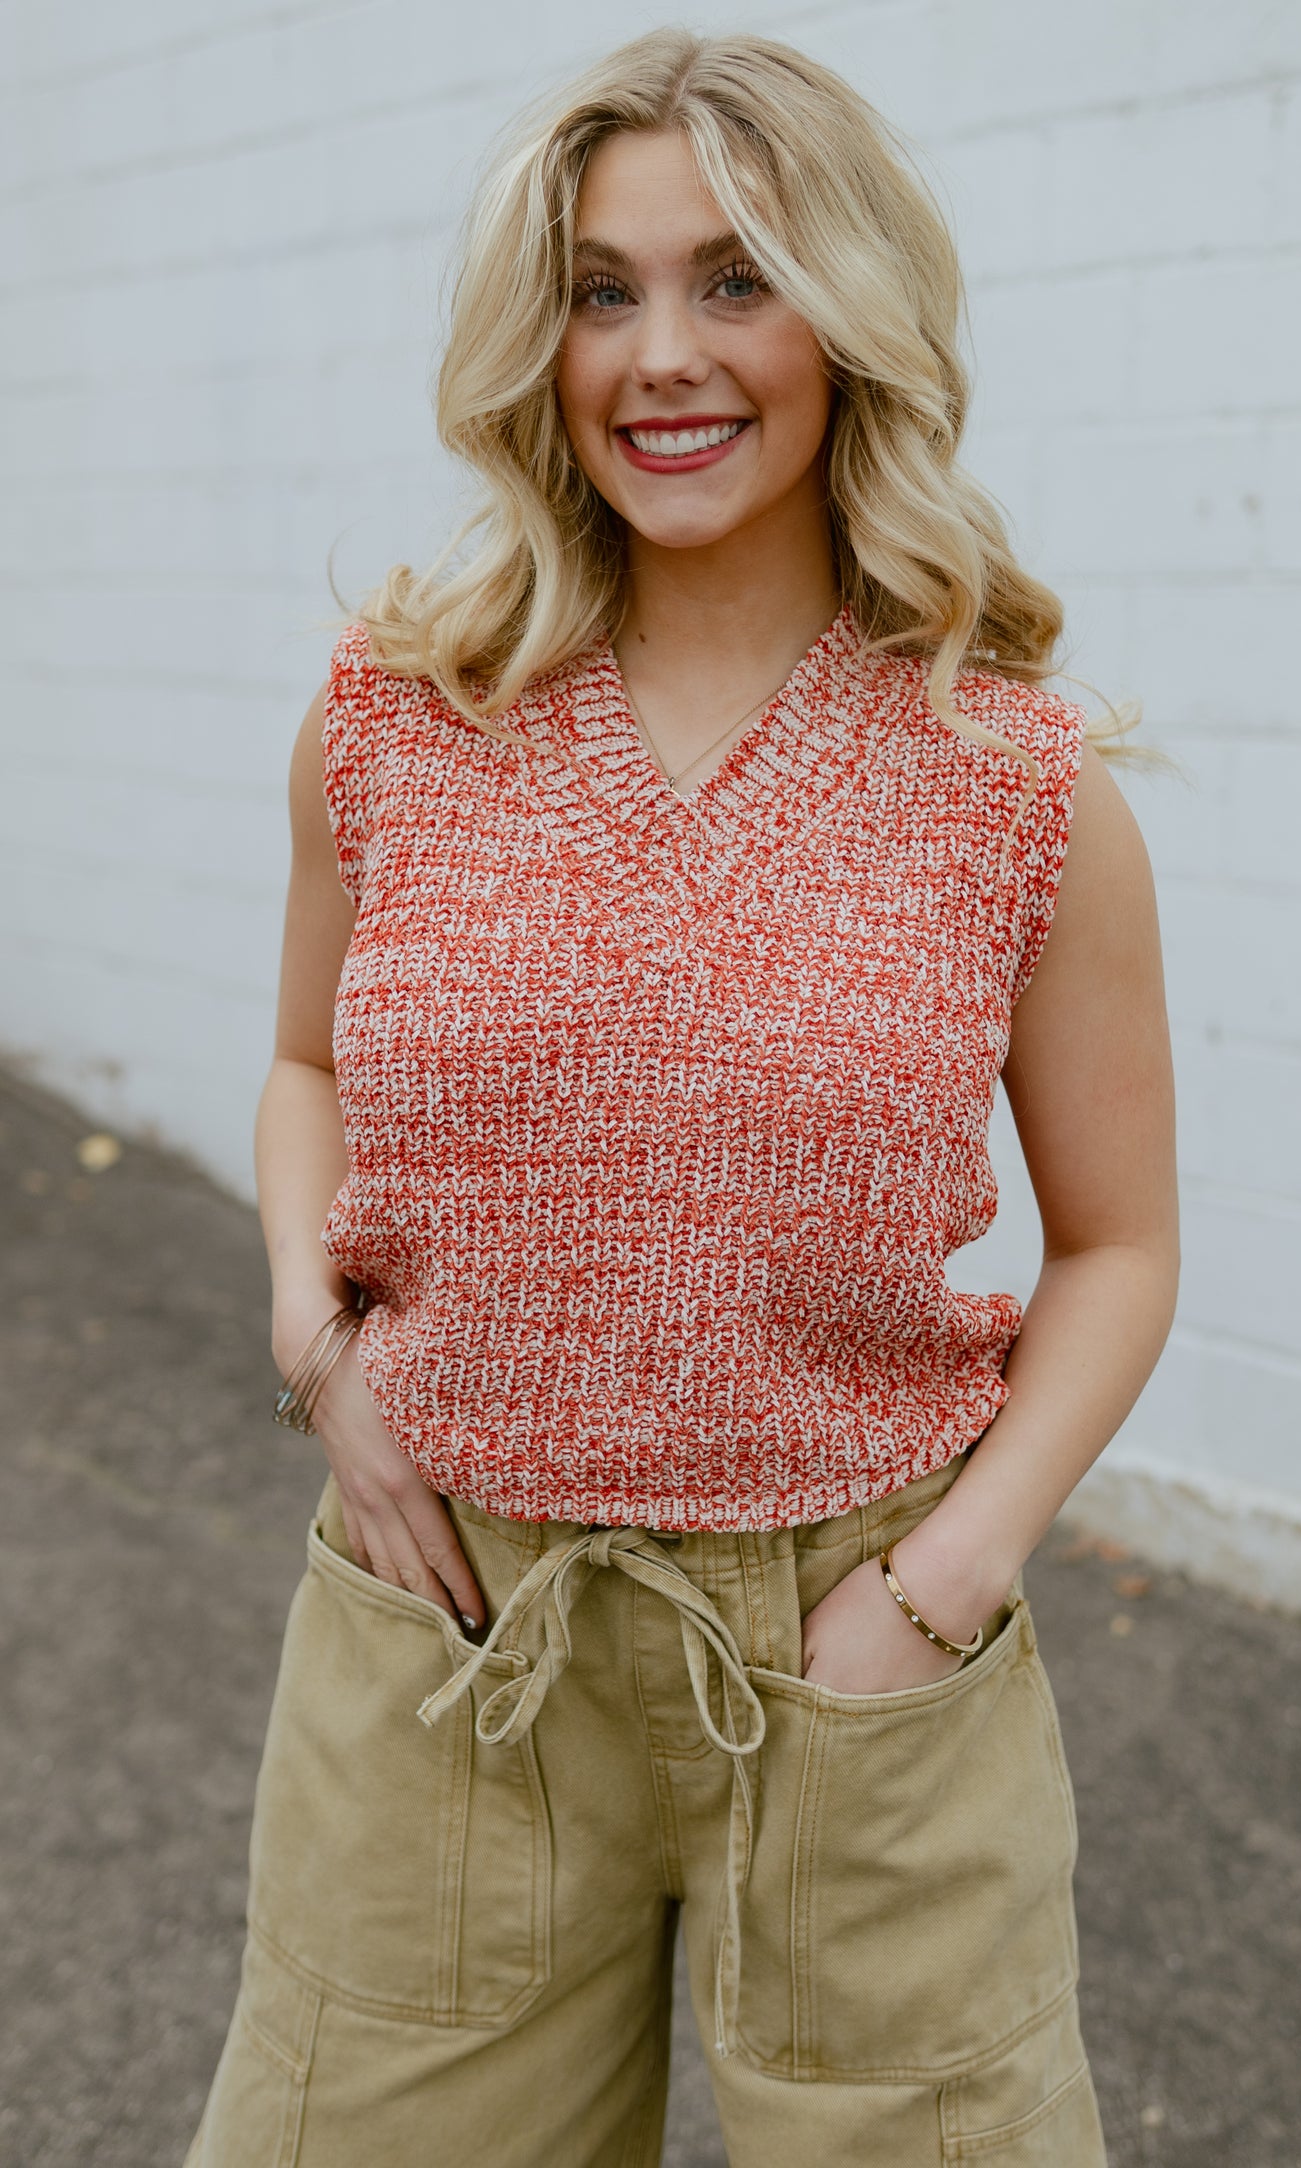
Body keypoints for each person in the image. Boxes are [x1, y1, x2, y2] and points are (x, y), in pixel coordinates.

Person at [184, 25, 1177, 2168]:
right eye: (599, 290)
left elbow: (1118, 1245)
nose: (661, 356)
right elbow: (301, 1062)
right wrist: (314, 1346)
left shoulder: (1015, 778)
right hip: (448, 1633)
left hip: (856, 1648)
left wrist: (944, 1586)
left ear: (850, 316)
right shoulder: (395, 712)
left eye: (736, 280)